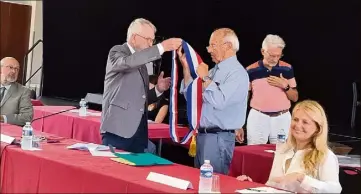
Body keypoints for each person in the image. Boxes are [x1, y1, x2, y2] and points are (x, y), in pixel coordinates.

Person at [100, 18, 182, 153]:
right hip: (118, 130)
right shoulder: (117, 52)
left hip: (138, 133)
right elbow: (127, 62)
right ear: (134, 38)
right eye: (148, 39)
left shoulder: (142, 65)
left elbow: (140, 99)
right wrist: (161, 47)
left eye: (153, 40)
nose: (151, 44)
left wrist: (157, 90)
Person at [179, 28, 249, 175]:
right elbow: (191, 97)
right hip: (203, 135)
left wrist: (204, 78)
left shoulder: (237, 73)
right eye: (209, 46)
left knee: (213, 183)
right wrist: (186, 69)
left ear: (228, 46)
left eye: (213, 45)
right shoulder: (213, 71)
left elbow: (219, 101)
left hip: (218, 137)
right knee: (201, 183)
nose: (209, 50)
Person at [237, 100, 342, 193]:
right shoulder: (282, 149)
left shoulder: (325, 156)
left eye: (305, 122)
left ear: (318, 128)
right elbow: (272, 186)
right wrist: (252, 187)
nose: (298, 125)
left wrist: (302, 178)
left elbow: (335, 189)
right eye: (295, 119)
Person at [245, 34, 299, 145]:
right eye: (271, 55)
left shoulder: (287, 69)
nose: (275, 59)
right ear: (262, 51)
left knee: (282, 154)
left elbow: (295, 98)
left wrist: (285, 86)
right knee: (255, 153)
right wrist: (239, 125)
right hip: (258, 117)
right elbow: (244, 98)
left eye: (278, 56)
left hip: (282, 118)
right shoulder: (251, 70)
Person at [0, 57, 33, 126]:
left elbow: (27, 117)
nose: (14, 71)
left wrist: (3, 118)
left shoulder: (23, 91)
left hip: (8, 131)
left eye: (16, 69)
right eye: (10, 67)